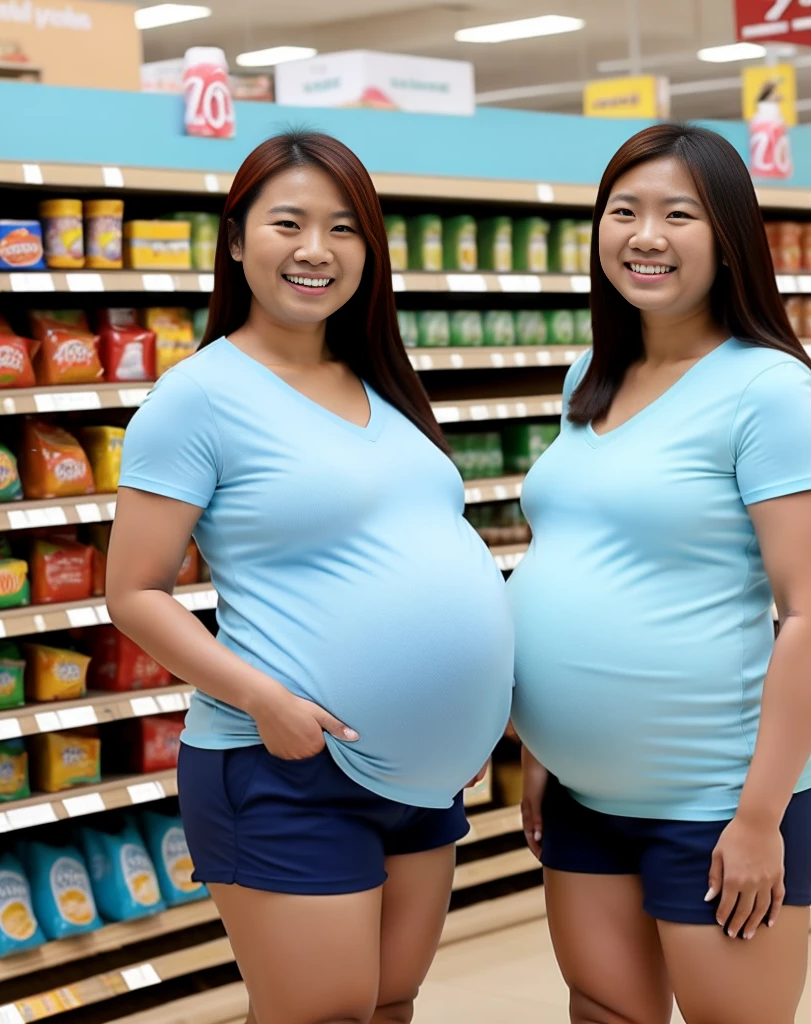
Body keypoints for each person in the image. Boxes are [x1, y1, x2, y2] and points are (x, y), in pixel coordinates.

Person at [106, 130, 513, 1024]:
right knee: (322, 1012)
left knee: (388, 1004)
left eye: (344, 228)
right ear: (236, 238)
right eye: (288, 223)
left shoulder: (381, 385)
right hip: (285, 766)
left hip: (422, 778)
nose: (316, 250)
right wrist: (263, 700)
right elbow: (133, 591)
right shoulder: (196, 398)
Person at [508, 123, 811, 1024]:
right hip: (583, 795)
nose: (645, 236)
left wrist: (758, 819)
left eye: (678, 215)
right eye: (624, 212)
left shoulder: (770, 392)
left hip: (719, 797)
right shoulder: (593, 374)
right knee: (603, 1009)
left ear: (729, 238)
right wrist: (544, 747)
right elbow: (570, 562)